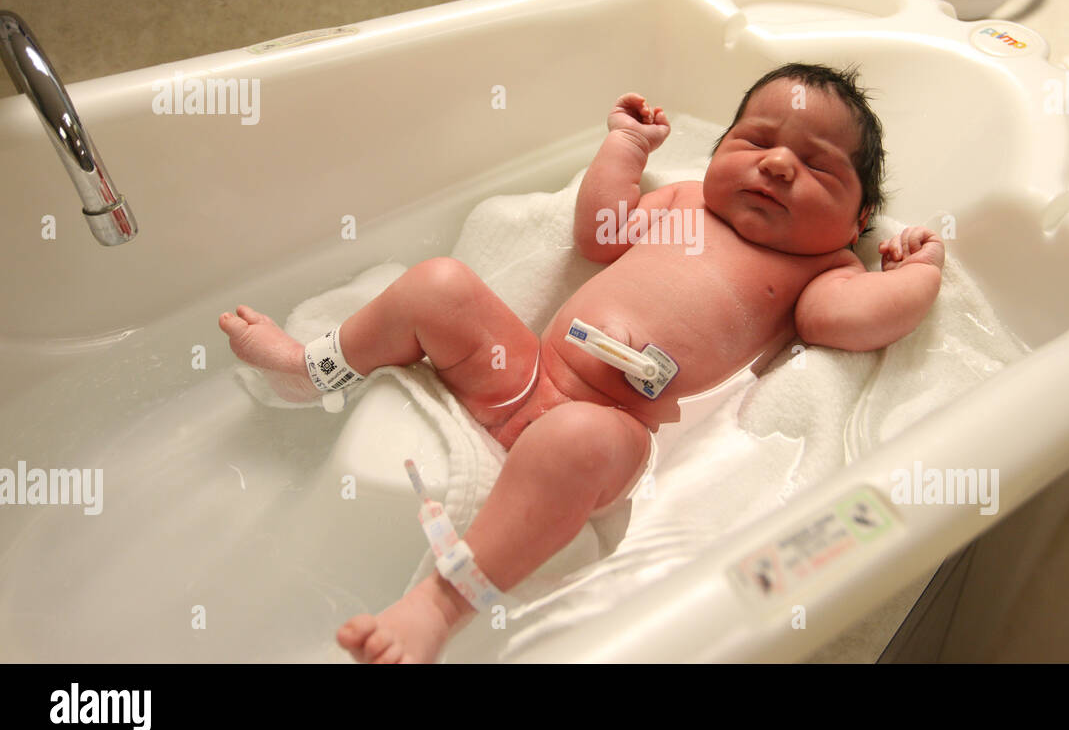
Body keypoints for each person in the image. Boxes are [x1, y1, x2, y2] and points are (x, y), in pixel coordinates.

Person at [219, 62, 946, 662]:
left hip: (613, 428)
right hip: (526, 373)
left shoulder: (820, 271)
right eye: (755, 141)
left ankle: (437, 608)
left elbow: (849, 325)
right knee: (439, 285)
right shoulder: (688, 201)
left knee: (581, 441)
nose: (778, 164)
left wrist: (918, 274)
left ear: (857, 220)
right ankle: (312, 369)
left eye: (819, 167)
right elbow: (600, 231)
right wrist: (627, 148)